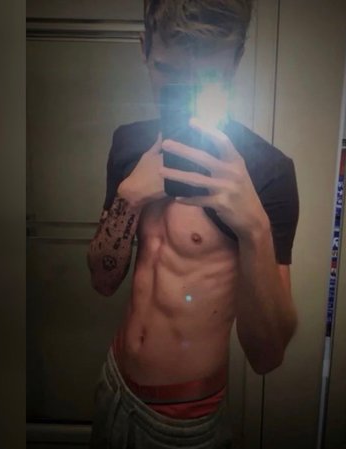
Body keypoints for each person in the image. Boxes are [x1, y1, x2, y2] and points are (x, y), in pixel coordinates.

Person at [87, 1, 299, 447]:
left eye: (205, 79)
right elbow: (102, 282)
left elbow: (267, 357)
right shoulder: (127, 144)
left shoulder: (267, 173)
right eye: (167, 71)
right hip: (114, 386)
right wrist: (130, 197)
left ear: (235, 62)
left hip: (183, 424)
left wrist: (254, 228)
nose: (181, 96)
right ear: (144, 49)